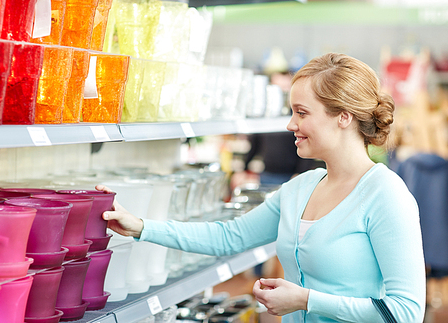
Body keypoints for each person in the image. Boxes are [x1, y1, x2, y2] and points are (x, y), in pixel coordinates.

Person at [96, 53, 426, 323]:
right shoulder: (301, 188)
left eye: (301, 112)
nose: (290, 124)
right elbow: (228, 236)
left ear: (343, 116)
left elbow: (405, 312)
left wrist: (305, 300)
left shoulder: (386, 195)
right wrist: (141, 227)